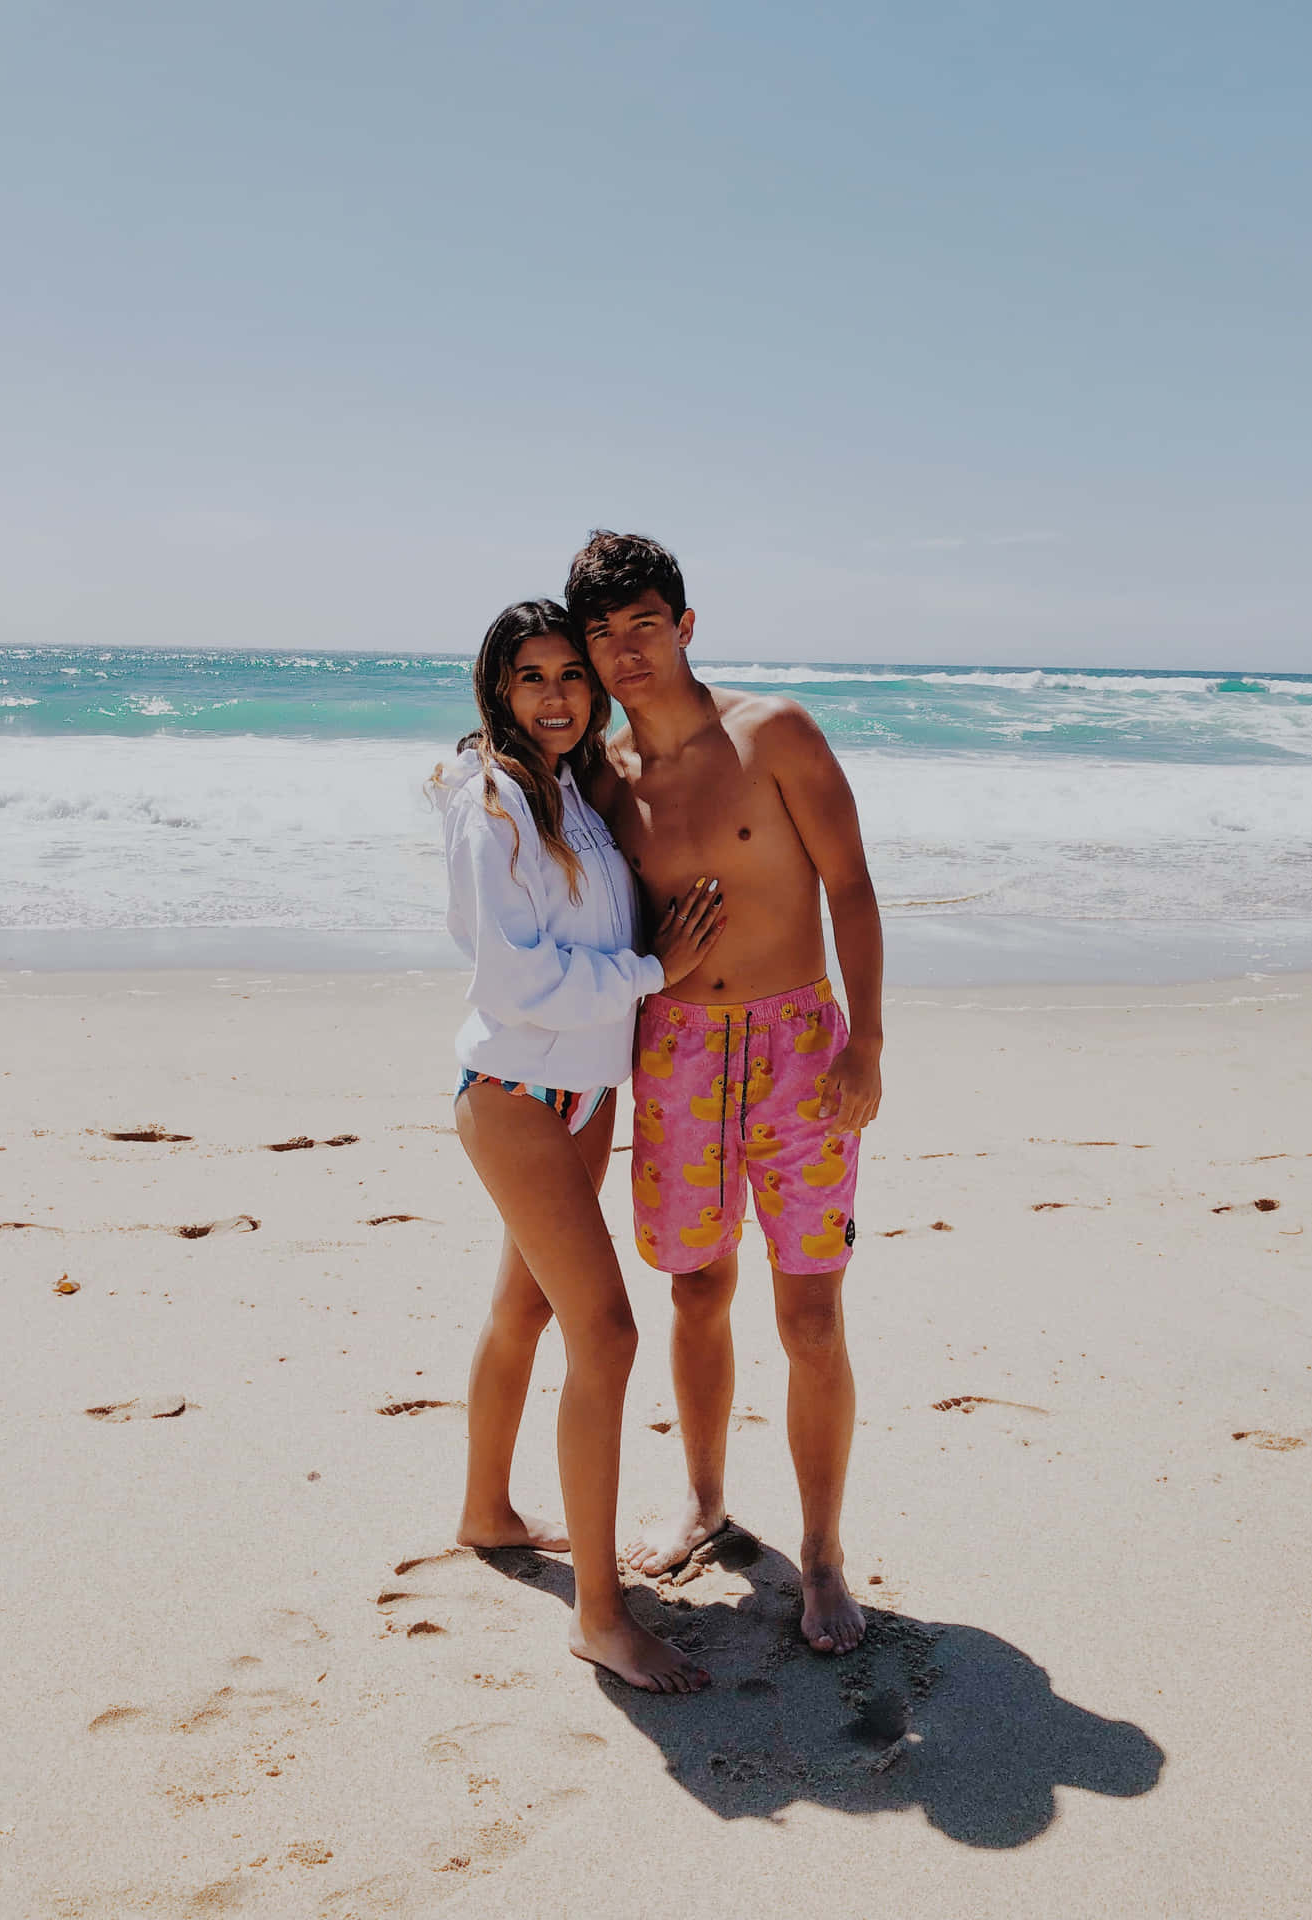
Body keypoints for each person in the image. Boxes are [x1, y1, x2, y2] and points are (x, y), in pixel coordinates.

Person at [568, 532, 884, 1656]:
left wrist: (868, 1045)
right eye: (601, 632)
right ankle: (703, 1502)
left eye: (643, 623)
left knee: (810, 1312)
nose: (623, 650)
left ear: (686, 625)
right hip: (679, 1053)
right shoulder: (603, 779)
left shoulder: (775, 732)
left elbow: (849, 885)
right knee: (697, 1292)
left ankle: (826, 1554)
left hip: (801, 1044)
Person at [432, 597, 725, 1692]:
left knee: (526, 1308)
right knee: (604, 1337)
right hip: (515, 1091)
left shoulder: (574, 794)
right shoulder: (495, 799)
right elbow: (511, 977)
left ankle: (486, 1511)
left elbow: (601, 928)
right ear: (498, 693)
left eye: (569, 674)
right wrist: (659, 973)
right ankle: (600, 1617)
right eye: (531, 678)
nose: (555, 696)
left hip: (584, 1095)